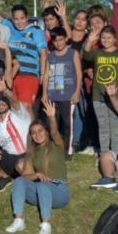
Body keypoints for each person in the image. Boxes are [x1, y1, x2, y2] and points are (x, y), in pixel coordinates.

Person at [5, 98, 70, 234]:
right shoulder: (31, 153)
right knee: (18, 181)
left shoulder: (56, 146)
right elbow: (26, 176)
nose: (37, 134)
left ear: (46, 132)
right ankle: (19, 220)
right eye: (33, 133)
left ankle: (46, 226)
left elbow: (55, 133)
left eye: (40, 131)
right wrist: (36, 175)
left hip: (59, 191)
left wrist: (52, 117)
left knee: (43, 186)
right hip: (40, 192)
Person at [83, 25, 118, 155]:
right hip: (98, 96)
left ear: (115, 39)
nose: (106, 40)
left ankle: (115, 154)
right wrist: (90, 40)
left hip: (116, 97)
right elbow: (86, 55)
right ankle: (105, 154)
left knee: (115, 125)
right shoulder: (97, 52)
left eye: (109, 38)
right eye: (103, 37)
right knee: (103, 126)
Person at [42, 27, 81, 157]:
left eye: (61, 39)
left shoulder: (73, 53)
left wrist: (76, 92)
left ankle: (67, 151)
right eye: (55, 41)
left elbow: (79, 73)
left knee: (67, 124)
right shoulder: (50, 55)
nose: (58, 43)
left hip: (68, 95)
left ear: (65, 39)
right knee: (53, 123)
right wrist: (44, 93)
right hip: (53, 95)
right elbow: (46, 74)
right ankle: (55, 149)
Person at [1, 4, 48, 106]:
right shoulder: (12, 28)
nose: (19, 22)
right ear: (12, 19)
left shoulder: (36, 31)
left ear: (27, 17)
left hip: (29, 75)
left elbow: (43, 54)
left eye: (22, 18)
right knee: (14, 108)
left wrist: (42, 74)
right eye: (16, 19)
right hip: (12, 76)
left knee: (26, 108)